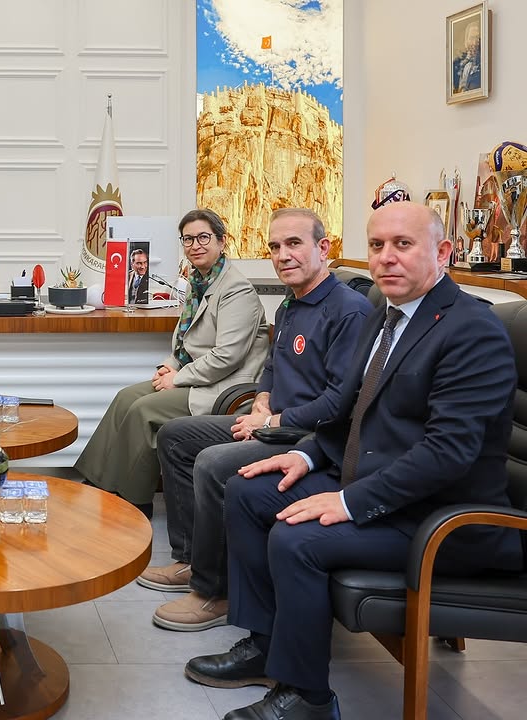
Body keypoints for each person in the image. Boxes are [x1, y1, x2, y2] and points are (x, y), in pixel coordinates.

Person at [186, 202, 522, 720]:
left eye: (403, 245)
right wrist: (305, 453)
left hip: (442, 518)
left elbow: (447, 453)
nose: (386, 258)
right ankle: (266, 646)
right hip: (380, 487)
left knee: (296, 537)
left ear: (444, 252)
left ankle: (308, 699)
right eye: (377, 246)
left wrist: (347, 500)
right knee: (249, 492)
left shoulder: (471, 330)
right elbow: (351, 411)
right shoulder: (383, 313)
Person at [140, 208, 372, 632]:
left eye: (294, 244)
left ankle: (215, 592)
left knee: (212, 462)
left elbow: (340, 402)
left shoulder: (348, 311)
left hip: (307, 437)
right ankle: (191, 561)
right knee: (175, 436)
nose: (282, 255)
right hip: (270, 419)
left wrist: (273, 420)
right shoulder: (290, 305)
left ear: (323, 248)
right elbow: (270, 367)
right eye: (275, 246)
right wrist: (262, 400)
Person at [74, 209, 268, 516]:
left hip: (225, 387)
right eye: (188, 239)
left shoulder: (235, 289)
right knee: (126, 397)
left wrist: (176, 379)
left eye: (204, 237)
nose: (195, 245)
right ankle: (97, 484)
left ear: (222, 241)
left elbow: (227, 356)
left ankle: (133, 502)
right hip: (197, 375)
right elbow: (185, 339)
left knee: (143, 410)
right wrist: (171, 365)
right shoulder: (199, 281)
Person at [452, 19, 481, 94]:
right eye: (471, 38)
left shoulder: (482, 65)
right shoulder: (458, 65)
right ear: (466, 41)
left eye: (477, 38)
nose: (474, 43)